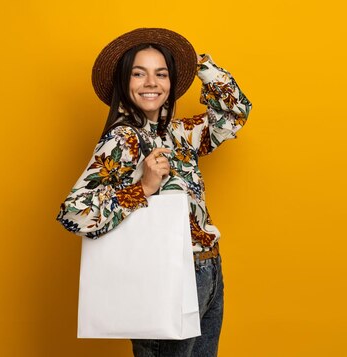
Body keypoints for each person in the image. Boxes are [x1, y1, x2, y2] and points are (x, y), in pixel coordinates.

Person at [57, 28, 251, 357]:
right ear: (124, 82)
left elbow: (234, 114)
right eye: (139, 73)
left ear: (172, 83)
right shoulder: (124, 139)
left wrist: (198, 64)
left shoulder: (177, 134)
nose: (151, 83)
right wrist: (143, 188)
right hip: (166, 274)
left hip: (207, 270)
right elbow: (74, 213)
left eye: (161, 74)